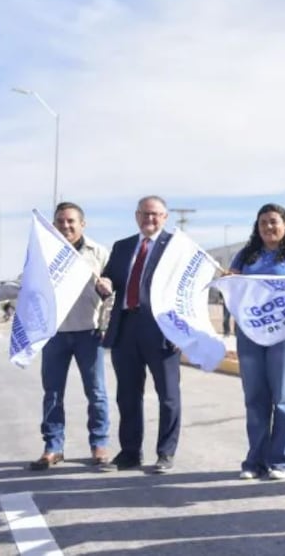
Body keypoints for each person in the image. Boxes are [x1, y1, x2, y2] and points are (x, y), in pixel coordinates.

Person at [0, 202, 112, 470]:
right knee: (52, 393)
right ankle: (53, 447)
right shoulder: (45, 254)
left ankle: (99, 444)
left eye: (70, 221)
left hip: (89, 333)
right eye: (60, 222)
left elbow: (114, 292)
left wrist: (105, 318)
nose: (65, 226)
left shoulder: (99, 253)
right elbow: (19, 286)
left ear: (82, 224)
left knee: (96, 392)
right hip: (53, 334)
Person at [228, 203, 285, 481]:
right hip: (250, 335)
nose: (268, 227)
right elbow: (232, 289)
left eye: (274, 221)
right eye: (263, 222)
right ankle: (256, 460)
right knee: (255, 398)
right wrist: (229, 281)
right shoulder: (246, 255)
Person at [95, 196, 179, 474]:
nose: (150, 219)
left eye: (155, 214)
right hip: (125, 328)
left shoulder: (176, 248)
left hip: (161, 330)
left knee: (167, 395)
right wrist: (104, 283)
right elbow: (110, 279)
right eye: (145, 214)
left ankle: (165, 454)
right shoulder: (122, 247)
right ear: (136, 216)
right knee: (128, 395)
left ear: (165, 217)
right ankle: (130, 453)